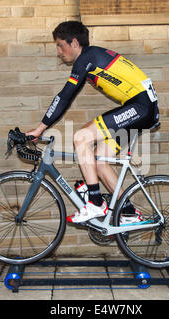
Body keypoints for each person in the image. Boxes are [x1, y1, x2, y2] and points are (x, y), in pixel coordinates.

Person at [27, 21, 159, 224]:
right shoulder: (91, 57)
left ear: (74, 43)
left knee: (81, 137)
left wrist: (39, 129)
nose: (59, 52)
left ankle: (96, 202)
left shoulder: (86, 59)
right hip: (142, 108)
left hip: (141, 107)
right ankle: (128, 212)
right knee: (99, 160)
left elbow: (64, 97)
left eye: (60, 45)